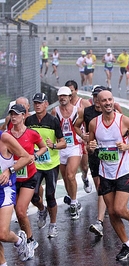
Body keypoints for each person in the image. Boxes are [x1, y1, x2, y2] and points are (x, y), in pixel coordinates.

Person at [87, 90, 129, 261]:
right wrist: (90, 147)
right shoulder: (94, 123)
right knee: (112, 213)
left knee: (119, 209)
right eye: (103, 100)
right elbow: (90, 146)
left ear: (113, 101)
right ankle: (127, 245)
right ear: (98, 103)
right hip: (105, 172)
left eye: (110, 100)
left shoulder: (123, 120)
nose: (107, 103)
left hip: (123, 170)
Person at [7, 104, 47, 257]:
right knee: (19, 213)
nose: (14, 117)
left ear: (24, 116)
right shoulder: (7, 135)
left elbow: (43, 147)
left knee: (21, 210)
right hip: (13, 177)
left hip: (30, 176)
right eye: (12, 114)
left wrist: (34, 156)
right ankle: (26, 237)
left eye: (17, 114)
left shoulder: (31, 133)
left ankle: (30, 241)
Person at [25, 93, 66, 238]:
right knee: (33, 194)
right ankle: (42, 210)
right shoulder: (28, 120)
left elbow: (63, 142)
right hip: (35, 164)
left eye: (40, 103)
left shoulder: (53, 121)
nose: (37, 105)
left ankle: (53, 224)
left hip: (51, 164)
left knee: (50, 195)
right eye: (35, 102)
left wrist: (53, 145)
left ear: (46, 104)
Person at [74, 86, 106, 237]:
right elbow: (75, 125)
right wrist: (83, 136)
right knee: (99, 185)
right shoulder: (86, 111)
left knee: (105, 186)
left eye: (99, 96)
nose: (97, 100)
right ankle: (105, 209)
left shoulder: (111, 111)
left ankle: (100, 220)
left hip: (108, 152)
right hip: (93, 151)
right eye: (94, 96)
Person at [0, 130, 32, 264]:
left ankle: (20, 240)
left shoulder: (4, 138)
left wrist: (9, 170)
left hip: (5, 189)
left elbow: (27, 157)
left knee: (2, 234)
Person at [51, 87, 83, 220]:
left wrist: (85, 138)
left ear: (70, 97)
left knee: (70, 175)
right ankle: (72, 199)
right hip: (60, 147)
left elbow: (84, 126)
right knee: (64, 178)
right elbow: (52, 129)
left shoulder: (78, 111)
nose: (62, 98)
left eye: (65, 96)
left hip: (74, 146)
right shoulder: (55, 111)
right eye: (60, 96)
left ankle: (74, 203)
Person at [65, 80, 92, 194]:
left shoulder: (84, 103)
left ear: (76, 90)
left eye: (71, 91)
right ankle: (71, 194)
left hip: (82, 139)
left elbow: (91, 120)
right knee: (69, 170)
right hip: (69, 141)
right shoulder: (63, 104)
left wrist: (88, 136)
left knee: (84, 167)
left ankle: (85, 178)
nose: (70, 94)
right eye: (67, 92)